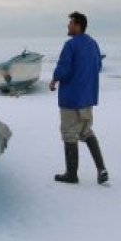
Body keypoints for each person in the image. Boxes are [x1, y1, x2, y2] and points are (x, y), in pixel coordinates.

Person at [48, 11, 108, 184]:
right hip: (87, 97)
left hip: (71, 98)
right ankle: (101, 169)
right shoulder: (93, 44)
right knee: (86, 131)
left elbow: (63, 68)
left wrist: (54, 80)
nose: (68, 26)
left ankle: (71, 174)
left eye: (70, 23)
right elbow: (98, 66)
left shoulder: (70, 45)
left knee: (69, 134)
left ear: (78, 25)